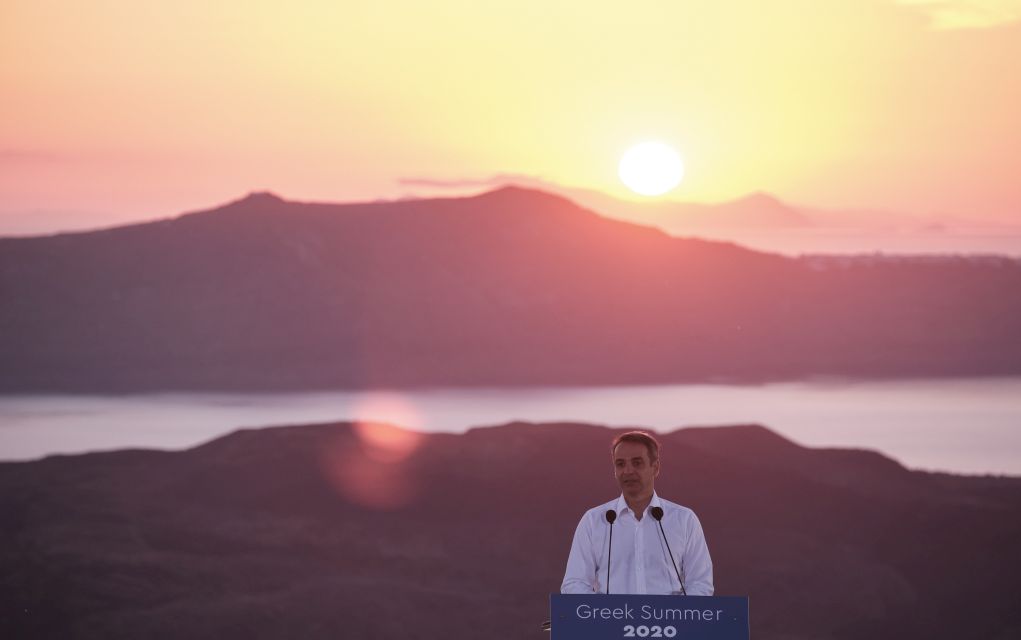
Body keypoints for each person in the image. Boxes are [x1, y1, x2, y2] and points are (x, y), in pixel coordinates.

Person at [561, 431, 713, 595]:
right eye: (620, 464)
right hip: (609, 619)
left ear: (655, 467)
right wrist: (604, 615)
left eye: (637, 463)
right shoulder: (593, 521)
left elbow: (701, 584)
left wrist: (677, 616)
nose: (628, 471)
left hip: (670, 620)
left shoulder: (684, 520)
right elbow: (574, 584)